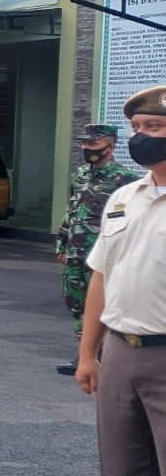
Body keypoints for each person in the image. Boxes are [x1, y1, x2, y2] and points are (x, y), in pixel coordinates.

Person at [69, 85, 166, 476]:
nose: (142, 137)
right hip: (122, 352)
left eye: (156, 128)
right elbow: (99, 279)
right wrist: (89, 353)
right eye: (140, 127)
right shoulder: (125, 198)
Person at [54, 123, 138, 374]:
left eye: (93, 144)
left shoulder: (125, 179)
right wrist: (62, 241)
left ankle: (106, 358)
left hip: (102, 255)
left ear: (109, 147)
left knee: (102, 304)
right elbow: (71, 210)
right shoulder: (80, 174)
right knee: (75, 301)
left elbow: (129, 221)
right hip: (76, 251)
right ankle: (85, 355)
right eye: (85, 143)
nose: (87, 148)